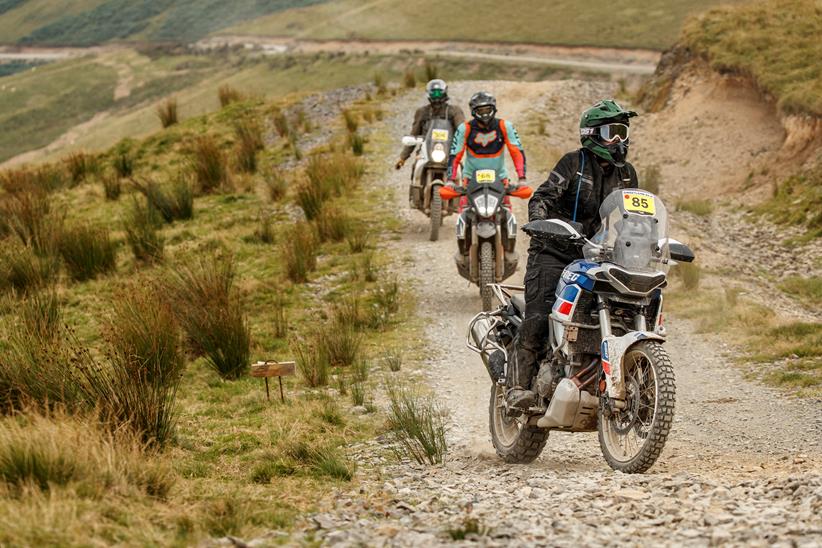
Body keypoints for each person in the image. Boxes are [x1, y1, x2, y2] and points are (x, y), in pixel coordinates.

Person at [507, 99, 639, 410]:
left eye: (623, 132)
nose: (619, 140)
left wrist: (643, 243)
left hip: (594, 255)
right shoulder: (573, 164)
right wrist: (542, 225)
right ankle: (517, 387)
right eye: (612, 132)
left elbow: (635, 217)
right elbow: (542, 197)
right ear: (593, 134)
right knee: (539, 316)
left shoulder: (627, 175)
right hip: (553, 250)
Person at [446, 91, 527, 207]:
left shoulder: (505, 126)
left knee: (506, 209)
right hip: (470, 179)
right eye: (481, 111)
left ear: (493, 109)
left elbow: (516, 151)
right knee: (464, 209)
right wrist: (450, 180)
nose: (484, 114)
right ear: (474, 111)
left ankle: (508, 225)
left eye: (487, 110)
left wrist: (522, 178)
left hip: (500, 178)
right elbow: (455, 154)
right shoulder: (464, 128)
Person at [395, 79, 465, 170]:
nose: (436, 96)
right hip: (425, 151)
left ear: (445, 92)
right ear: (428, 94)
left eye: (439, 93)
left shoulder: (455, 111)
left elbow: (462, 129)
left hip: (450, 150)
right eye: (434, 93)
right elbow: (414, 134)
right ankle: (415, 184)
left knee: (461, 169)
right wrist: (402, 158)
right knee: (416, 166)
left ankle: (461, 184)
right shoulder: (422, 112)